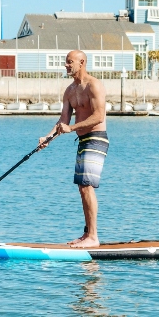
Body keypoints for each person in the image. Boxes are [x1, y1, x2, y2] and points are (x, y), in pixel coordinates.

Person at [39, 50, 108, 248]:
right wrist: (48, 138)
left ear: (82, 62)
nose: (66, 66)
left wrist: (72, 128)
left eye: (70, 62)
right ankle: (87, 234)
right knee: (82, 187)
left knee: (86, 185)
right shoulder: (70, 91)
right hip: (82, 140)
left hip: (96, 138)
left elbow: (98, 116)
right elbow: (64, 120)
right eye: (66, 63)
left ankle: (93, 237)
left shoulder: (94, 85)